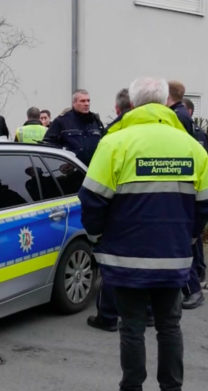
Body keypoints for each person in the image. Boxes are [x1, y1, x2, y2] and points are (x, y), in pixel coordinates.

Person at [79, 77, 208, 391]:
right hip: (173, 258)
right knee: (170, 327)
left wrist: (97, 239)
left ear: (134, 104)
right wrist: (187, 237)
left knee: (132, 329)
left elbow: (92, 200)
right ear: (165, 102)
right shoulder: (191, 146)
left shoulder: (114, 143)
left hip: (125, 259)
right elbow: (207, 203)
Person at [86, 88, 133, 333]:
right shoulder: (170, 137)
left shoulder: (110, 136)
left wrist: (95, 234)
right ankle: (144, 315)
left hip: (116, 216)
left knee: (112, 270)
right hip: (146, 219)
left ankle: (108, 316)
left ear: (117, 109)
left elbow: (93, 193)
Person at [180, 97, 208, 309]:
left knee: (192, 239)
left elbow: (205, 164)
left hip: (192, 192)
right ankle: (197, 273)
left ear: (188, 112)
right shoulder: (191, 135)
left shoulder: (196, 136)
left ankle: (197, 275)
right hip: (190, 194)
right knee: (191, 239)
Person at [43, 89, 104, 166]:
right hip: (70, 172)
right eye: (82, 101)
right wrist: (60, 163)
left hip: (93, 170)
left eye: (88, 101)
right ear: (74, 103)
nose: (87, 104)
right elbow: (48, 145)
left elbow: (103, 144)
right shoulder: (62, 121)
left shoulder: (95, 121)